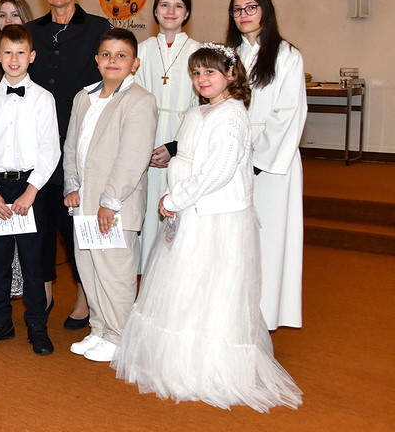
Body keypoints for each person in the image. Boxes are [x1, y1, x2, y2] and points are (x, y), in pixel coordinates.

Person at [113, 44, 303, 412]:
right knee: (185, 285)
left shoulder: (231, 115)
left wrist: (176, 198)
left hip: (214, 215)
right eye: (197, 73)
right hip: (191, 210)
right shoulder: (200, 111)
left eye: (210, 72)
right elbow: (188, 158)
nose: (202, 79)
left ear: (231, 75)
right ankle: (175, 360)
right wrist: (175, 194)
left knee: (209, 287)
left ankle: (206, 367)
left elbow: (218, 171)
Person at [26, 0, 110, 331]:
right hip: (37, 145)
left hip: (79, 144)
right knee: (40, 223)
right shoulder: (32, 31)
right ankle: (44, 291)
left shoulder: (98, 29)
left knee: (74, 223)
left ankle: (83, 295)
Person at [63, 29, 157, 363]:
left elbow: (133, 157)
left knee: (115, 272)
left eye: (121, 56)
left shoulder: (140, 100)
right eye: (106, 54)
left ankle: (119, 336)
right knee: (90, 268)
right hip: (84, 202)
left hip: (114, 206)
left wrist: (110, 202)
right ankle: (100, 329)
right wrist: (71, 185)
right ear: (97, 60)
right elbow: (71, 145)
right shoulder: (84, 97)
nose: (112, 61)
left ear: (135, 63)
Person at [0, 24, 60, 355]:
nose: (14, 58)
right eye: (7, 52)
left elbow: (51, 150)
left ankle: (37, 324)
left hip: (30, 188)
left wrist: (31, 191)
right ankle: (1, 321)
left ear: (31, 56)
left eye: (21, 52)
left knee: (33, 261)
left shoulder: (43, 99)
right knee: (0, 261)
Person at [227, 0, 306, 330]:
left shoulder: (286, 55)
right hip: (230, 159)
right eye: (237, 9)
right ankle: (233, 317)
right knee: (233, 243)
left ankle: (263, 319)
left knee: (268, 242)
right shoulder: (228, 55)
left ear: (265, 11)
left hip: (271, 166)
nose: (243, 15)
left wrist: (256, 160)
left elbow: (288, 112)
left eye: (251, 7)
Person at [133, 0, 200, 271]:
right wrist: (143, 146)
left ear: (187, 13)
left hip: (183, 145)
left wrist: (175, 147)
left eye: (178, 6)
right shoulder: (142, 50)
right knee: (147, 212)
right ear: (155, 11)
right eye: (164, 5)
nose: (170, 11)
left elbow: (202, 107)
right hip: (146, 143)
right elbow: (133, 102)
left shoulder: (199, 52)